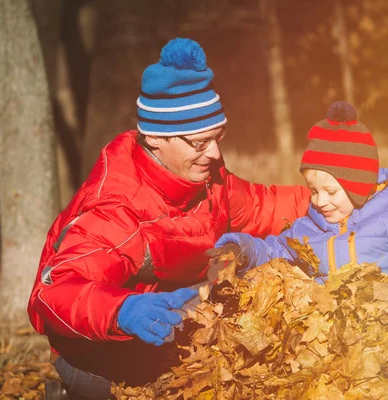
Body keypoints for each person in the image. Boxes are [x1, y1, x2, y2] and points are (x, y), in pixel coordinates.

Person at [27, 38, 310, 399]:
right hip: (98, 353)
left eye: (218, 137)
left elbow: (262, 206)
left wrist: (337, 195)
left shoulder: (208, 180)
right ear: (157, 139)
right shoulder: (117, 208)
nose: (215, 152)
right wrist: (121, 310)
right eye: (199, 143)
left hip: (175, 328)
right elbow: (51, 297)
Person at [215, 101, 388, 299]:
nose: (320, 201)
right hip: (343, 330)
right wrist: (241, 249)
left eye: (331, 192)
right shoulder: (311, 227)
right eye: (313, 190)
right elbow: (276, 250)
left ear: (359, 187)